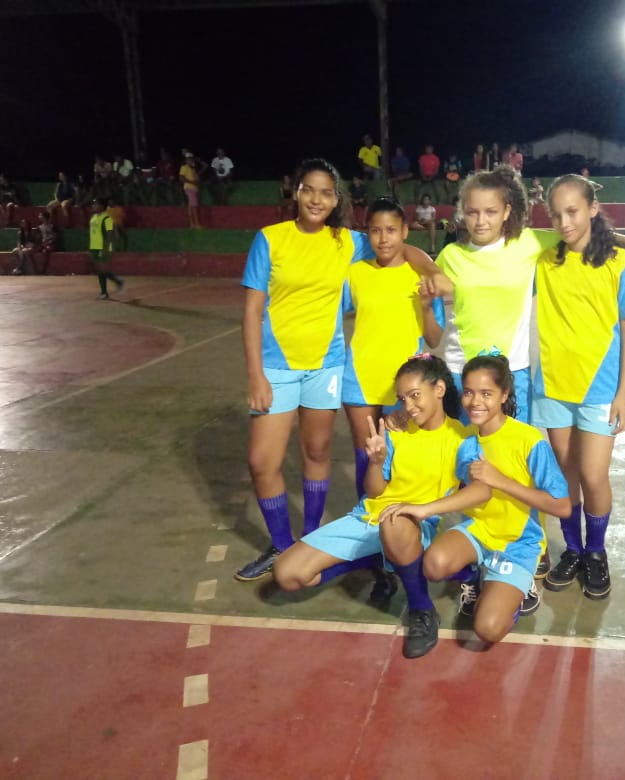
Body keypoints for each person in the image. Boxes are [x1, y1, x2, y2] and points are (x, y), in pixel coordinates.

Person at [235, 158, 441, 583]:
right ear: (296, 192)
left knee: (317, 452)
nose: (317, 199)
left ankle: (311, 538)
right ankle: (281, 544)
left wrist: (435, 272)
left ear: (336, 199)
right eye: (309, 190)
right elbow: (252, 310)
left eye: (326, 192)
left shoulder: (348, 241)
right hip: (276, 365)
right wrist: (255, 373)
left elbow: (400, 247)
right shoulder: (270, 239)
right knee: (261, 461)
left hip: (326, 366)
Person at [274, 355, 488, 659]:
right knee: (288, 574)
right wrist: (375, 461)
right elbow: (375, 491)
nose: (408, 406)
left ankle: (421, 608)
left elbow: (480, 490)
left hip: (412, 525)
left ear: (439, 389)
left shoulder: (462, 438)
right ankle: (379, 561)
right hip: (367, 518)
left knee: (394, 520)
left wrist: (426, 509)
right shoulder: (395, 431)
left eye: (415, 395)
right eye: (403, 399)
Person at [431, 166, 625, 426]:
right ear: (462, 212)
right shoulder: (450, 256)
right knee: (465, 448)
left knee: (514, 447)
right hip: (462, 370)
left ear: (506, 211)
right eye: (472, 212)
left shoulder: (529, 243)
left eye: (491, 211)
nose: (481, 221)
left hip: (512, 371)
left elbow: (579, 232)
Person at [534, 174, 625, 599]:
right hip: (553, 386)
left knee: (594, 475)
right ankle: (574, 549)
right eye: (556, 214)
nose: (564, 222)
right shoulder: (545, 258)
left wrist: (623, 394)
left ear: (593, 209)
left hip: (600, 389)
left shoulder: (620, 262)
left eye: (573, 212)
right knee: (566, 475)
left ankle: (596, 551)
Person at [418, 355, 570, 642]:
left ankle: (517, 588)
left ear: (504, 395)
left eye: (486, 393)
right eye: (469, 392)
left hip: (518, 543)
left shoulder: (529, 440)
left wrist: (501, 481)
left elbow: (562, 506)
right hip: (479, 531)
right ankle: (477, 574)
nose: (475, 401)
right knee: (433, 564)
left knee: (487, 628)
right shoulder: (466, 441)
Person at [342, 197, 445, 498]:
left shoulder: (421, 277)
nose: (383, 238)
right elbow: (332, 314)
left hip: (405, 386)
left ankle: (401, 520)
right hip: (359, 378)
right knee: (367, 456)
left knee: (401, 460)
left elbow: (434, 339)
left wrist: (426, 308)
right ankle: (367, 518)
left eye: (391, 230)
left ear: (404, 232)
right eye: (375, 231)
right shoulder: (355, 273)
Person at [88, 198, 124, 299]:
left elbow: (110, 234)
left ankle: (104, 293)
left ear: (102, 206)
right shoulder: (93, 217)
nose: (93, 206)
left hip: (103, 247)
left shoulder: (107, 218)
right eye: (93, 204)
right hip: (94, 247)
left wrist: (106, 248)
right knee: (99, 270)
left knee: (101, 270)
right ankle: (118, 281)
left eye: (96, 204)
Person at [179, 152, 201, 228]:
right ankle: (196, 224)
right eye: (188, 159)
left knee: (191, 206)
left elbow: (197, 179)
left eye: (191, 159)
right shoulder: (184, 167)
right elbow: (181, 178)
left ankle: (192, 224)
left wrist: (196, 180)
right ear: (186, 160)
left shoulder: (192, 168)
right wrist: (192, 182)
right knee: (194, 206)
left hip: (194, 188)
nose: (190, 161)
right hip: (189, 188)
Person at [35, 209, 57, 274]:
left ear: (44, 217)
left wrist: (49, 242)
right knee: (32, 250)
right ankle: (35, 268)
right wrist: (41, 243)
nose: (39, 216)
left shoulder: (52, 226)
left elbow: (55, 237)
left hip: (51, 244)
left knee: (45, 251)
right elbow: (38, 238)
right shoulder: (39, 227)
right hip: (42, 244)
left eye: (40, 215)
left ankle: (43, 269)